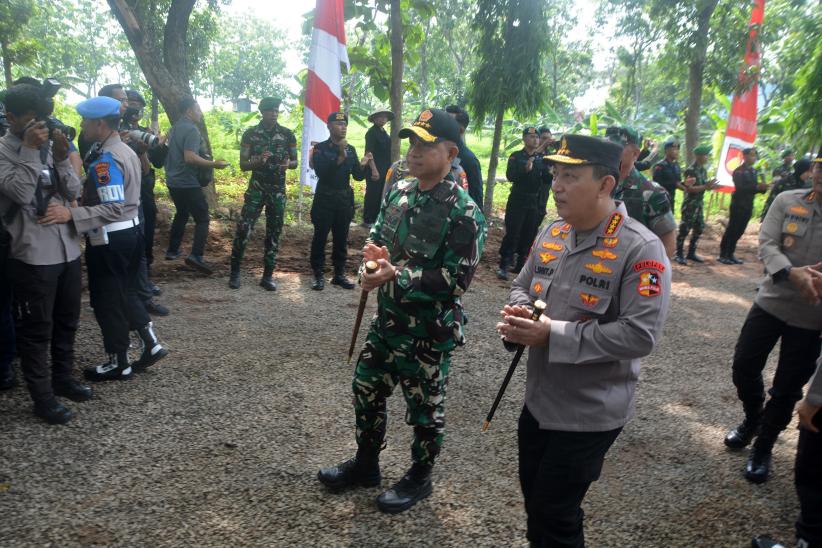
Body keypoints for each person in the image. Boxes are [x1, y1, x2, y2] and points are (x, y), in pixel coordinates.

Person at [497, 134, 671, 546]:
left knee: (554, 513)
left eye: (571, 176)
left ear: (606, 185)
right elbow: (521, 286)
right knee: (537, 503)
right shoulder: (554, 232)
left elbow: (639, 334)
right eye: (556, 173)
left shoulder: (640, 249)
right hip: (539, 400)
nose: (556, 184)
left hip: (589, 413)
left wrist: (550, 333)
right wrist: (524, 313)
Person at [317, 108, 486, 514]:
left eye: (425, 145)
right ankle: (366, 464)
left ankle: (418, 477)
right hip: (388, 322)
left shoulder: (464, 213)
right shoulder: (400, 191)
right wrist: (369, 268)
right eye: (411, 142)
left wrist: (397, 276)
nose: (413, 151)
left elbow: (455, 281)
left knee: (424, 410)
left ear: (449, 152)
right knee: (366, 388)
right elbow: (376, 240)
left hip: (428, 332)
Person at [723, 154, 822, 484]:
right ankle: (753, 419)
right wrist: (791, 273)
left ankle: (763, 446)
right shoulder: (787, 200)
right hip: (772, 301)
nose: (821, 174)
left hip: (813, 316)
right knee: (744, 365)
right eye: (820, 167)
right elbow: (767, 243)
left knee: (787, 387)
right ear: (813, 170)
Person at [0, 83, 90, 423]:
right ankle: (42, 398)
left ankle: (63, 379)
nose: (41, 127)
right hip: (32, 253)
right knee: (37, 328)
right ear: (11, 118)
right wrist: (28, 150)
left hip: (66, 246)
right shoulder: (4, 151)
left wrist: (62, 157)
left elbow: (72, 190)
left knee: (68, 320)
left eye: (44, 119)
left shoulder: (49, 146)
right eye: (32, 120)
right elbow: (21, 193)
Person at [68, 96, 168, 381]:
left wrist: (72, 216)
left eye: (86, 121)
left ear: (99, 123)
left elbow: (112, 207)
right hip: (131, 231)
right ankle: (150, 343)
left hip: (111, 238)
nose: (83, 126)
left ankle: (118, 361)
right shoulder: (125, 150)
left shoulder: (106, 159)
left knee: (106, 298)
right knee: (127, 292)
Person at [228, 97, 297, 291]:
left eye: (276, 110)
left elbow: (294, 162)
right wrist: (258, 162)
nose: (274, 114)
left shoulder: (287, 134)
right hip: (256, 190)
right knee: (243, 230)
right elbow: (243, 165)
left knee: (273, 233)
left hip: (277, 192)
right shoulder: (250, 134)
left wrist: (286, 165)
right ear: (262, 112)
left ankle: (267, 276)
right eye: (270, 110)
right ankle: (234, 273)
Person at [164, 96, 229, 275]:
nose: (200, 113)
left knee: (182, 213)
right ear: (189, 111)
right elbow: (190, 157)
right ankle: (196, 255)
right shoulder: (191, 130)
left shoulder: (174, 128)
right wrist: (214, 164)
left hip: (172, 181)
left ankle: (172, 250)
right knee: (203, 218)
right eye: (198, 109)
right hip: (187, 182)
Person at [308, 111, 371, 291]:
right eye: (338, 124)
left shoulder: (351, 149)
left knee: (341, 238)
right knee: (320, 237)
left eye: (345, 124)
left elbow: (358, 176)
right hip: (325, 199)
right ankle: (318, 274)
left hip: (343, 200)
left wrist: (364, 164)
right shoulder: (320, 148)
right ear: (329, 126)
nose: (343, 127)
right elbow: (321, 173)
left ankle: (339, 274)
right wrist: (340, 157)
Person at [121, 89, 169, 316]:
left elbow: (158, 163)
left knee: (146, 235)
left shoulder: (143, 133)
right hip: (123, 196)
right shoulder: (114, 132)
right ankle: (129, 291)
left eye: (138, 105)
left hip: (145, 192)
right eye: (130, 103)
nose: (134, 108)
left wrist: (157, 143)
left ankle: (145, 280)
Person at [605, 125, 677, 257]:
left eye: (618, 147)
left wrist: (649, 276)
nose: (611, 152)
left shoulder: (651, 192)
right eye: (607, 146)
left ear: (636, 153)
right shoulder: (596, 185)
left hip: (635, 270)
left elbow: (668, 245)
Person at [497, 127, 549, 280]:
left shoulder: (542, 159)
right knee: (513, 233)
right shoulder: (516, 156)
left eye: (536, 137)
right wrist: (524, 170)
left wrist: (551, 173)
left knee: (529, 233)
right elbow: (510, 176)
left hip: (534, 200)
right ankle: (504, 265)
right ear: (524, 139)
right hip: (518, 199)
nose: (535, 139)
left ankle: (521, 266)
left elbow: (546, 179)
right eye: (531, 136)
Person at [718, 147, 769, 264]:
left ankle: (731, 253)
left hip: (748, 204)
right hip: (738, 204)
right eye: (751, 155)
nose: (753, 158)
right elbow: (740, 188)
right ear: (744, 157)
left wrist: (763, 189)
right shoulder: (738, 171)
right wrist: (757, 187)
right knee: (732, 229)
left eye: (755, 155)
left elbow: (754, 188)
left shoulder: (754, 171)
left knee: (740, 230)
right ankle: (723, 254)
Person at [674, 144, 717, 265]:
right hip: (690, 204)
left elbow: (704, 186)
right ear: (698, 156)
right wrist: (705, 186)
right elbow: (689, 189)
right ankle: (679, 254)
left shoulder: (703, 170)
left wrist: (710, 186)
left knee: (699, 228)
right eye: (705, 155)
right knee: (684, 229)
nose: (707, 157)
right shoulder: (690, 170)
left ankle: (691, 253)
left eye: (707, 155)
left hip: (699, 203)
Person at [445, 104, 483, 210]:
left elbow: (476, 198)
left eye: (447, 122)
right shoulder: (438, 152)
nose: (441, 125)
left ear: (461, 130)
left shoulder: (469, 160)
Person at [362, 109, 392, 226]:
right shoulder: (371, 133)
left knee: (380, 192)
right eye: (380, 117)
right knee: (372, 193)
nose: (383, 119)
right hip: (374, 167)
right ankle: (368, 219)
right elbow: (368, 152)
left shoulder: (384, 132)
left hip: (385, 167)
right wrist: (374, 170)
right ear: (374, 119)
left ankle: (375, 218)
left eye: (385, 117)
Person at [534, 127, 556, 229]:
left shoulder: (551, 156)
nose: (546, 141)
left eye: (548, 139)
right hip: (527, 198)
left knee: (533, 229)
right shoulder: (530, 152)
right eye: (543, 138)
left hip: (542, 197)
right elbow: (531, 159)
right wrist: (543, 145)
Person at [652, 139, 683, 205]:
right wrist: (674, 184)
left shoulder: (676, 166)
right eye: (674, 149)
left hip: (671, 200)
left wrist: (686, 184)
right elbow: (656, 184)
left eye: (678, 149)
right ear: (667, 151)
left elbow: (678, 182)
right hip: (660, 201)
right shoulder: (660, 166)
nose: (677, 152)